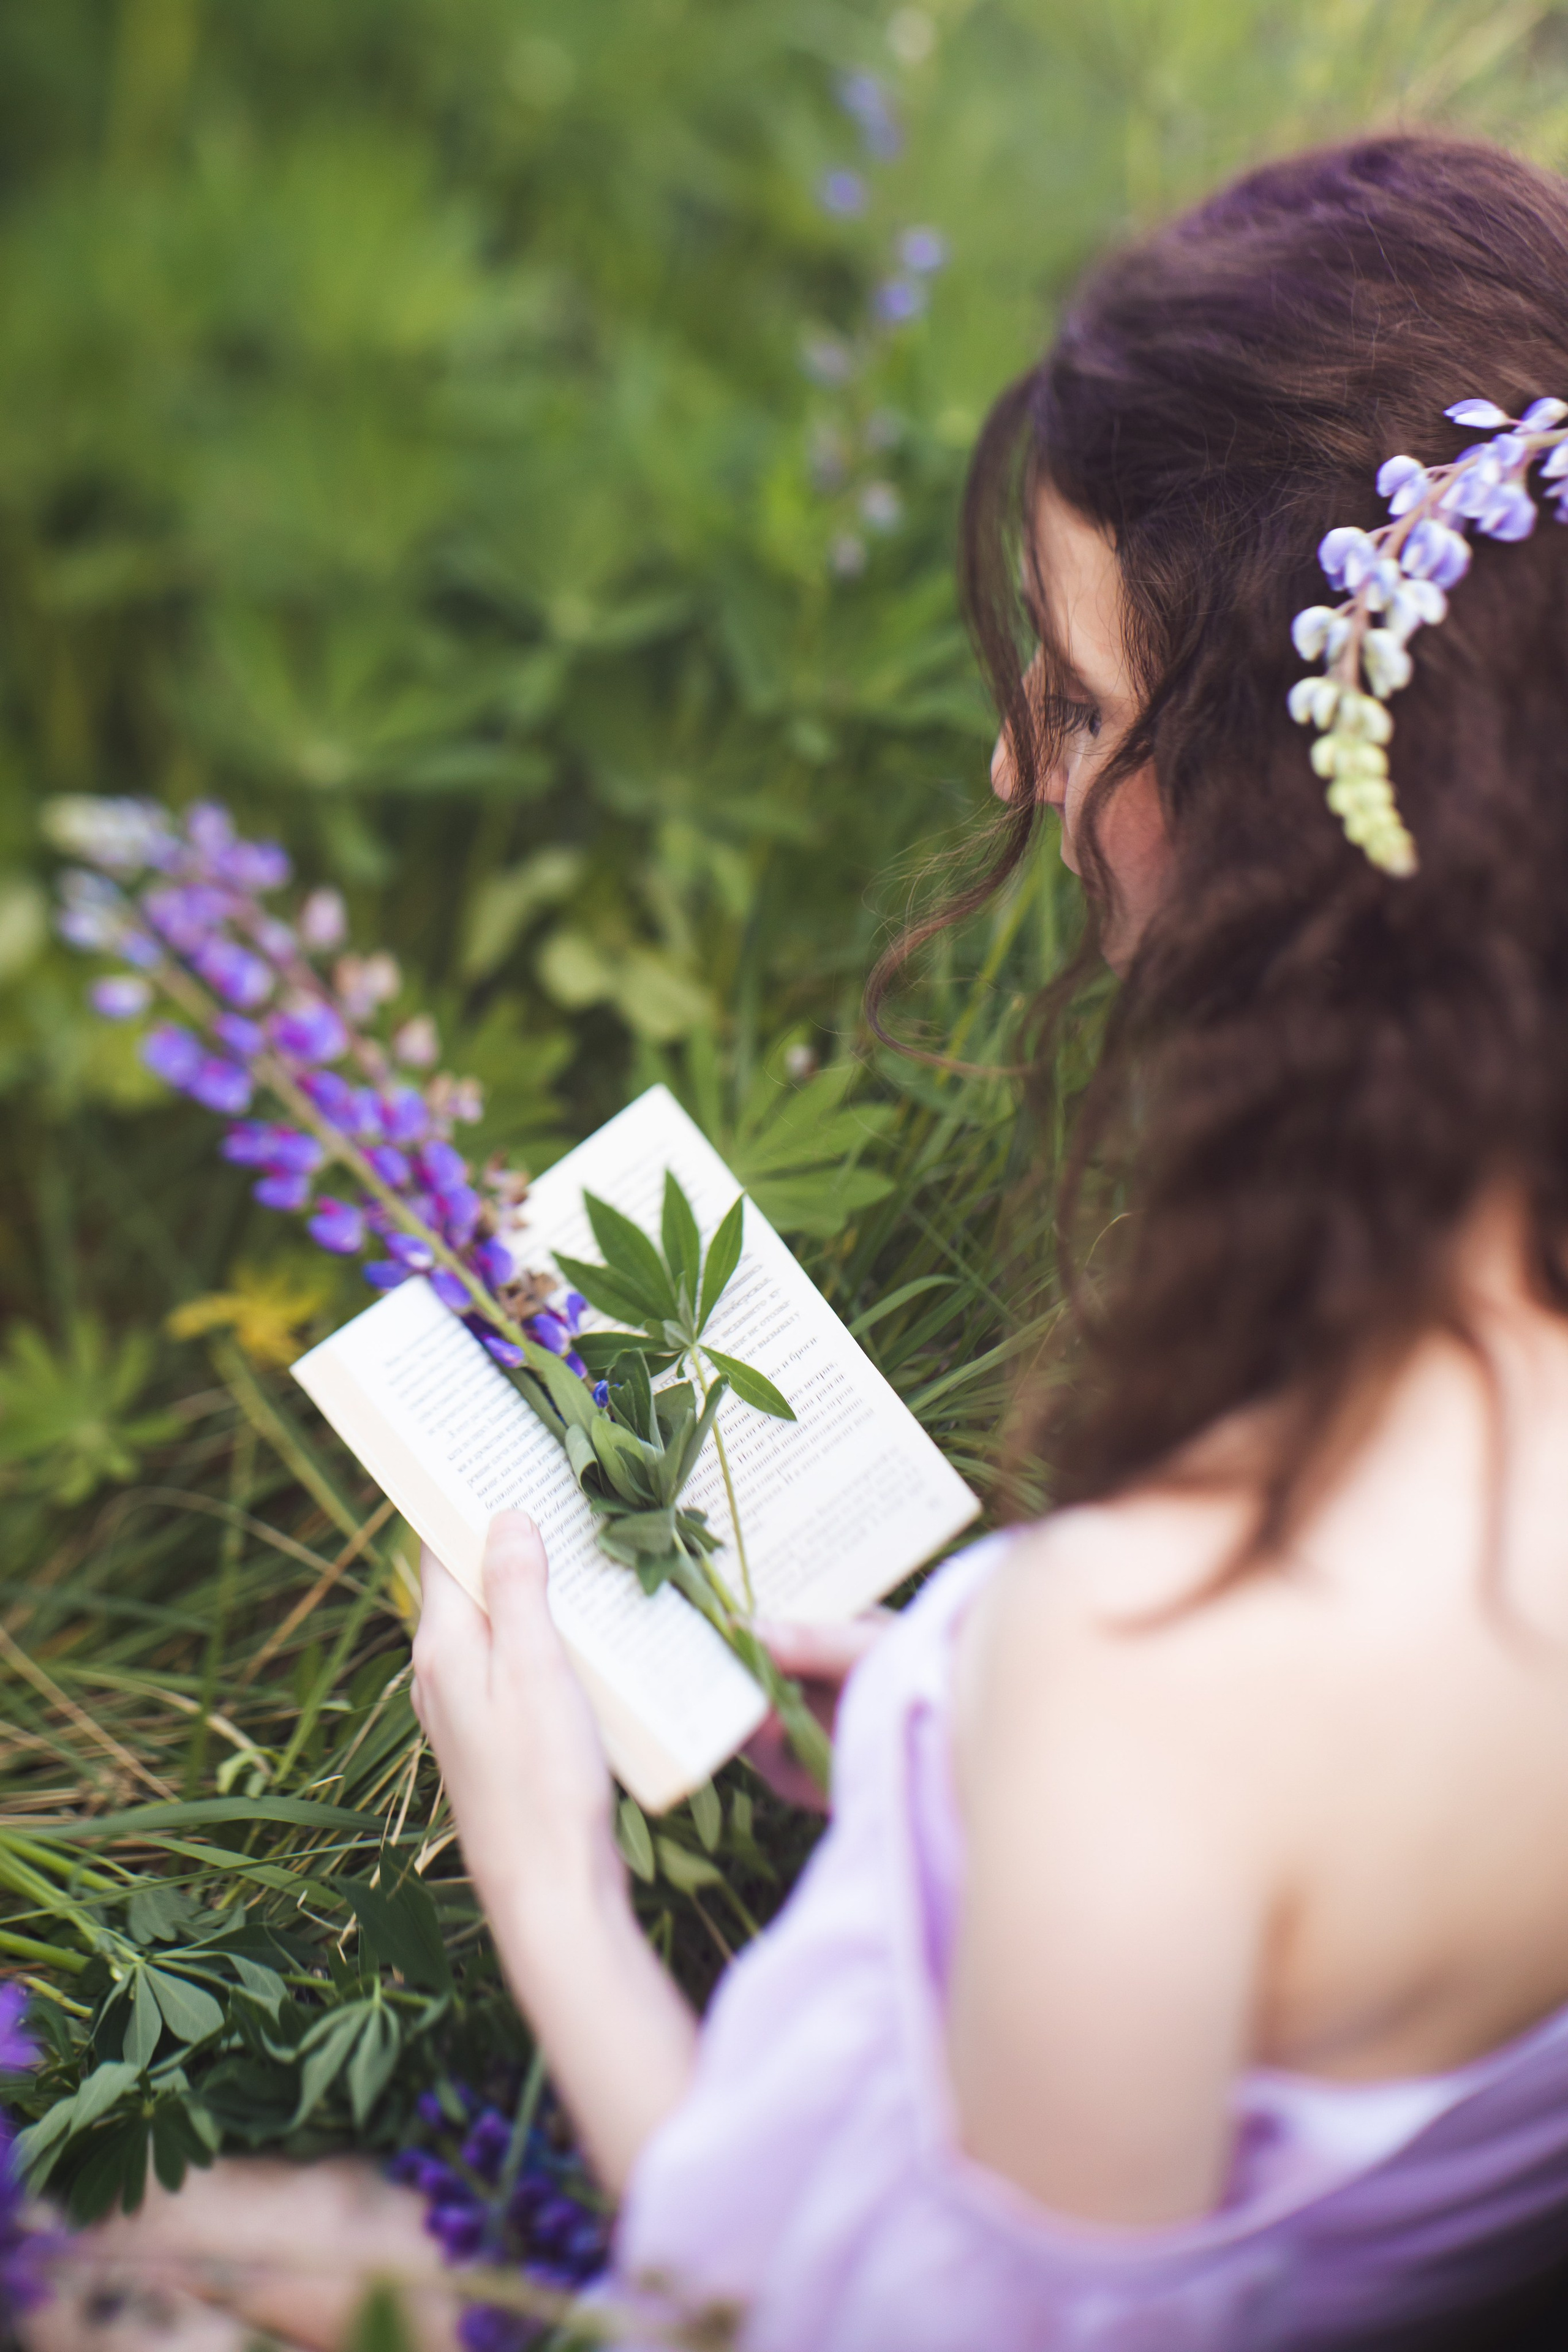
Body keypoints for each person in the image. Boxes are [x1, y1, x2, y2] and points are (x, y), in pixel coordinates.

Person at [32, 129, 1568, 2351]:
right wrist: (958, 1763)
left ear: (1274, 808)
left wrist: (550, 1887)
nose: (1023, 787)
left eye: (1077, 701)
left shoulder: (1153, 1684)